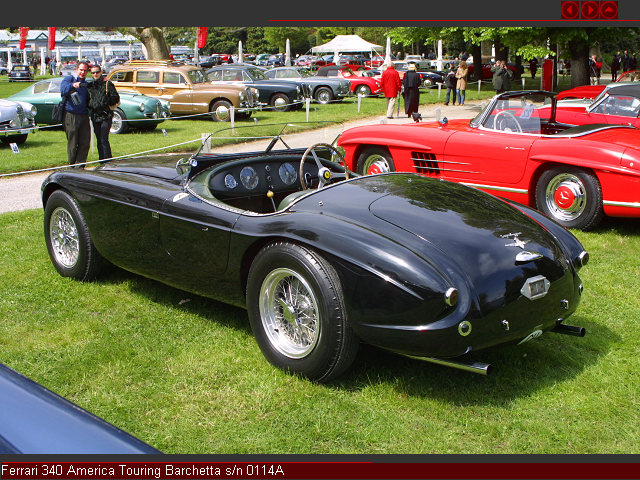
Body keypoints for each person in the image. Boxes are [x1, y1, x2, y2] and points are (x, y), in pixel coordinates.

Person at [60, 61, 91, 167]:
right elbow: (63, 91)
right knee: (73, 143)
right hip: (71, 115)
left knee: (85, 142)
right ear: (76, 69)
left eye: (85, 70)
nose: (83, 72)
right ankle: (72, 166)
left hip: (84, 115)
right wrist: (73, 86)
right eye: (81, 70)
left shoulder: (86, 83)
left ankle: (80, 167)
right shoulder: (69, 79)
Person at [86, 65, 120, 160]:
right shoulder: (90, 86)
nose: (95, 74)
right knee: (99, 139)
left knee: (104, 139)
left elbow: (115, 97)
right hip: (95, 115)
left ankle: (108, 160)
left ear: (101, 72)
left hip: (106, 115)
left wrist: (105, 102)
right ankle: (102, 160)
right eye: (93, 72)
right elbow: (88, 100)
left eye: (97, 72)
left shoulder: (107, 84)